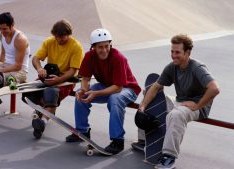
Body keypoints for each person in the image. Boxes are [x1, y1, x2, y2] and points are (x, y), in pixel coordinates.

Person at [134, 34, 220, 169]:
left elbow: (214, 89)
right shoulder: (173, 66)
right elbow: (156, 87)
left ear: (187, 52)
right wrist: (142, 109)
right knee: (148, 93)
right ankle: (144, 139)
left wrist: (198, 105)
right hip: (180, 101)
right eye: (172, 51)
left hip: (197, 107)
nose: (174, 55)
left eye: (177, 52)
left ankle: (169, 157)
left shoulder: (197, 68)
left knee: (176, 115)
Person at [65, 28, 141, 155]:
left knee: (114, 99)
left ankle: (117, 140)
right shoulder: (89, 56)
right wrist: (84, 89)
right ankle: (82, 131)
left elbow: (118, 88)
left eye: (107, 46)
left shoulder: (118, 58)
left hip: (127, 89)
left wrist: (96, 93)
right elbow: (86, 78)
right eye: (100, 47)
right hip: (106, 86)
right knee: (80, 93)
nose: (104, 50)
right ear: (93, 47)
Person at [22, 19, 84, 139]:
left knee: (51, 94)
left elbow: (73, 71)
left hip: (67, 80)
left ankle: (43, 122)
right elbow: (35, 59)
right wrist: (40, 69)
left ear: (69, 34)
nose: (59, 39)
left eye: (63, 37)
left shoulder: (76, 47)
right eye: (57, 37)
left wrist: (58, 80)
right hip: (50, 76)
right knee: (28, 93)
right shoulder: (49, 42)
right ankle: (43, 110)